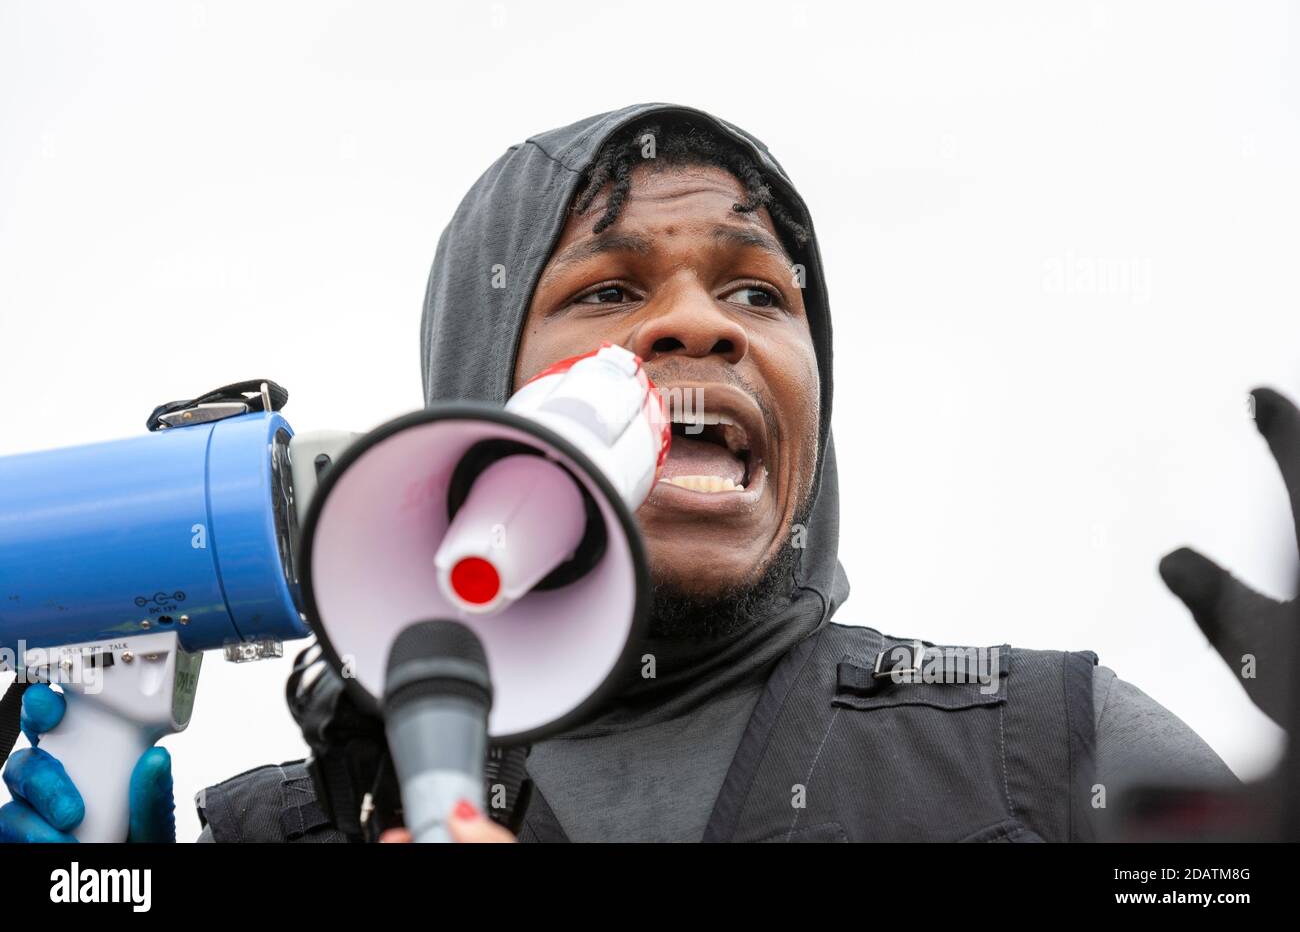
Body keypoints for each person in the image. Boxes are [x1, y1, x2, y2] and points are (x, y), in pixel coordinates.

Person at [9, 103, 1289, 844]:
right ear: (474, 392)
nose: (699, 327)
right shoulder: (277, 827)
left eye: (754, 289)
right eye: (610, 289)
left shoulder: (1044, 750)